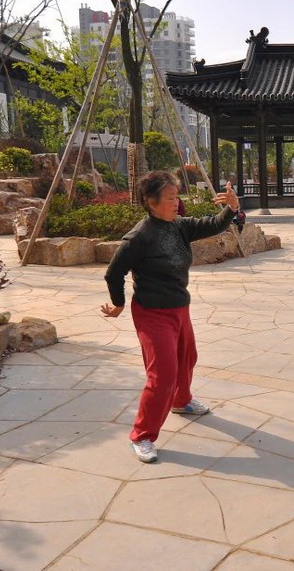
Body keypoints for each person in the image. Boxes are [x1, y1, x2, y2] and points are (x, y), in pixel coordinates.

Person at [101, 171, 240, 463]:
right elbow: (114, 273)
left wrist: (232, 208)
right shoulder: (139, 237)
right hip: (152, 313)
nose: (176, 202)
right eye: (170, 198)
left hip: (179, 307)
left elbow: (213, 224)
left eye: (177, 196)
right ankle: (142, 435)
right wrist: (118, 304)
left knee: (187, 358)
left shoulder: (179, 226)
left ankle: (182, 400)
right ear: (150, 201)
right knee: (162, 374)